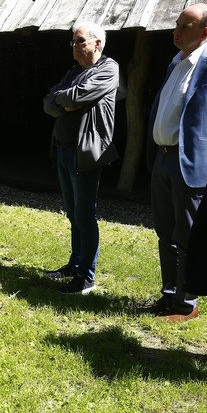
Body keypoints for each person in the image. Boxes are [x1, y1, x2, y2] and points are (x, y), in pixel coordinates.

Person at [146, 3, 207, 321]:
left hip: (192, 165)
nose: (176, 30)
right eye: (176, 24)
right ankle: (169, 294)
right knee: (166, 232)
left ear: (204, 32)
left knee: (188, 235)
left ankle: (186, 303)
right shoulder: (175, 64)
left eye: (185, 26)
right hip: (163, 158)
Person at [42, 22, 119, 295]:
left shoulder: (109, 68)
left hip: (85, 151)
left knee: (85, 214)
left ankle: (86, 276)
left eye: (80, 41)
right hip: (64, 149)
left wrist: (64, 98)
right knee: (73, 212)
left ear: (97, 43)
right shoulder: (73, 72)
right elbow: (49, 102)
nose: (74, 46)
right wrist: (65, 100)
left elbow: (79, 95)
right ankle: (75, 265)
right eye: (73, 41)